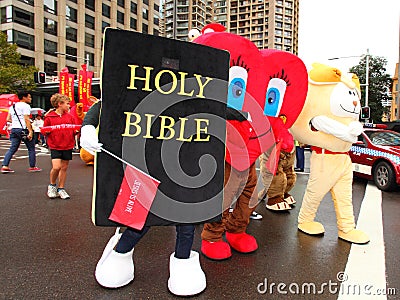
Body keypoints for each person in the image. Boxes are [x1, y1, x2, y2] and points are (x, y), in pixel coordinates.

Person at [80, 101, 206, 296]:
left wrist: (241, 114)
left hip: (182, 163)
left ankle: (183, 259)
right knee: (142, 217)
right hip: (148, 161)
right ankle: (121, 251)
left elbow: (209, 105)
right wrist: (88, 125)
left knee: (185, 220)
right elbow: (111, 100)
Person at [44, 93, 77, 200]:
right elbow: (45, 131)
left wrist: (76, 131)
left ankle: (61, 188)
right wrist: (47, 131)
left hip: (68, 145)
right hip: (55, 145)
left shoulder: (70, 117)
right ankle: (52, 186)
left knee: (64, 168)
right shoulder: (49, 117)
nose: (69, 106)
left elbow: (74, 130)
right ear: (59, 104)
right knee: (56, 167)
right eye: (67, 104)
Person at [1, 90, 42, 173]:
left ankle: (5, 165)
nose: (30, 99)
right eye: (29, 97)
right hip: (24, 129)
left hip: (14, 129)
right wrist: (30, 131)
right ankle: (32, 166)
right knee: (31, 148)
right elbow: (26, 119)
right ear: (24, 97)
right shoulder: (26, 106)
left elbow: (8, 119)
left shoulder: (12, 107)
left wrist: (16, 122)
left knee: (13, 148)